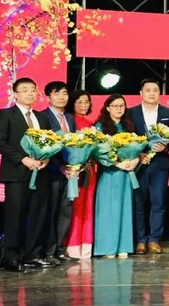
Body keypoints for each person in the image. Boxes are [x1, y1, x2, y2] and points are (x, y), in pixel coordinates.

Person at [0, 78, 56, 271]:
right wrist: (23, 159)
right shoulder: (6, 114)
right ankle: (11, 256)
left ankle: (33, 254)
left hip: (41, 172)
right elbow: (0, 142)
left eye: (33, 90)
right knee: (15, 215)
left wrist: (46, 158)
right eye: (25, 90)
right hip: (17, 173)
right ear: (15, 94)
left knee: (38, 214)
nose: (30, 93)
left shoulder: (42, 117)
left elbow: (51, 142)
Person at [127, 78, 169, 255]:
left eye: (155, 90)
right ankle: (140, 239)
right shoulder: (131, 113)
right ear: (141, 93)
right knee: (139, 202)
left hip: (160, 164)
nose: (152, 93)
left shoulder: (168, 112)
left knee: (159, 201)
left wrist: (166, 147)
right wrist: (137, 153)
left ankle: (154, 239)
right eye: (148, 90)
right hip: (140, 164)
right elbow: (128, 137)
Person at [93, 94, 140, 258]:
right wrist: (116, 163)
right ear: (107, 108)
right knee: (108, 210)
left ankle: (123, 246)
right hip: (109, 173)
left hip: (126, 174)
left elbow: (138, 146)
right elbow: (97, 151)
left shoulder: (129, 126)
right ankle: (107, 247)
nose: (119, 109)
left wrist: (134, 160)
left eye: (122, 106)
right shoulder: (100, 127)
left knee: (125, 209)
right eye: (115, 106)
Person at [38, 80, 76, 261]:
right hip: (52, 172)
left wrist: (76, 164)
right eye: (57, 93)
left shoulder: (70, 118)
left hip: (70, 173)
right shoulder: (42, 117)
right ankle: (48, 251)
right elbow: (44, 146)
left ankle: (60, 249)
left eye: (65, 93)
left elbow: (75, 145)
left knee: (65, 211)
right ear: (48, 97)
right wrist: (60, 165)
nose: (62, 97)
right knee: (50, 211)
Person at [64, 90, 98, 259]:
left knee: (87, 207)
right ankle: (71, 246)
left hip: (89, 171)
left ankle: (85, 246)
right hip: (72, 172)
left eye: (86, 102)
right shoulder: (69, 121)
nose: (83, 105)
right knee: (74, 209)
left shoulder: (92, 124)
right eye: (79, 102)